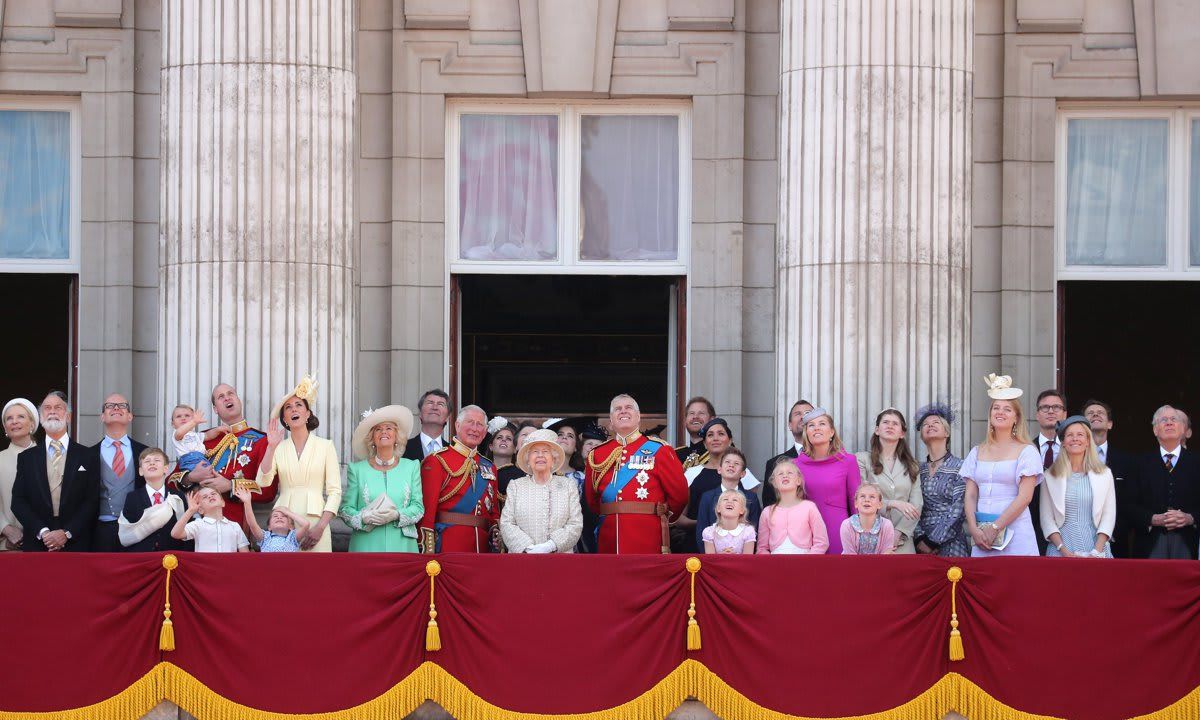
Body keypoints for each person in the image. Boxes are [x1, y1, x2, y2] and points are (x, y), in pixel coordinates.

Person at [585, 394, 688, 554]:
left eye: (629, 408)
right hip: (608, 536)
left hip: (647, 535)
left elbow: (679, 495)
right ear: (611, 421)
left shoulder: (660, 450)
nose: (623, 411)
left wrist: (663, 518)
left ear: (639, 417)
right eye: (617, 409)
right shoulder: (597, 454)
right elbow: (592, 500)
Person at [166, 383, 275, 527]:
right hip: (197, 526)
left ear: (238, 400)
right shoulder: (201, 438)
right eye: (220, 397)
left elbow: (269, 491)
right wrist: (191, 478)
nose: (227, 398)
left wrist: (231, 486)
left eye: (231, 394)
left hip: (235, 525)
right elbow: (170, 482)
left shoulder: (262, 441)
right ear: (215, 409)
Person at [256, 375, 342, 552]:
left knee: (318, 575)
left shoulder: (326, 446)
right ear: (285, 419)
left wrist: (320, 527)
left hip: (317, 520)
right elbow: (262, 481)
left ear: (307, 413)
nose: (293, 409)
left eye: (298, 405)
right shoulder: (278, 448)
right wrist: (270, 448)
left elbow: (335, 492)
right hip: (285, 523)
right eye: (288, 407)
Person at [961, 374, 1043, 557]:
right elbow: (971, 495)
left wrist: (996, 527)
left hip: (1016, 534)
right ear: (990, 415)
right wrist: (973, 529)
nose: (1000, 412)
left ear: (1016, 417)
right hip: (982, 537)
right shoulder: (976, 451)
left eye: (1007, 409)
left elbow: (1025, 497)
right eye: (996, 408)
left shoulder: (1027, 451)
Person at [11, 391, 99, 552]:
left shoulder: (88, 456)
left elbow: (92, 501)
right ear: (40, 417)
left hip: (77, 543)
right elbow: (18, 501)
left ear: (68, 417)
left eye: (58, 407)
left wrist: (67, 532)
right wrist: (43, 531)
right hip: (38, 543)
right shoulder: (26, 458)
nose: (52, 411)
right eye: (47, 408)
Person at [341, 405, 424, 553]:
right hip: (366, 546)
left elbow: (418, 508)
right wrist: (363, 517)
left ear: (396, 436)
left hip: (403, 546)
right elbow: (346, 510)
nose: (383, 432)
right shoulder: (357, 469)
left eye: (389, 428)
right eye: (378, 429)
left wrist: (397, 514)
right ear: (372, 438)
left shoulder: (412, 467)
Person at [418, 405, 500, 553]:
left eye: (480, 424)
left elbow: (493, 512)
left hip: (483, 548)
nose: (475, 428)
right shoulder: (437, 460)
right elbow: (427, 510)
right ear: (457, 425)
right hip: (448, 544)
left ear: (485, 431)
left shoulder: (489, 467)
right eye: (470, 422)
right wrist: (427, 548)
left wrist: (496, 537)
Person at [1124, 406, 1199, 559]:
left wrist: (1190, 518)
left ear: (1183, 428)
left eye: (1174, 419)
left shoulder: (1197, 462)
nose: (1169, 423)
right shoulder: (1138, 463)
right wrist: (1153, 519)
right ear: (1155, 430)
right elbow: (1127, 505)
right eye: (1163, 420)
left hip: (1189, 539)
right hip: (1149, 541)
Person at [678, 418, 760, 552]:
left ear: (730, 439)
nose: (715, 438)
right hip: (701, 548)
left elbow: (753, 521)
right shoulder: (692, 474)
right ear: (704, 443)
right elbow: (680, 516)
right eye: (710, 435)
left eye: (721, 434)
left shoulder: (744, 475)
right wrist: (704, 524)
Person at [1040, 416, 1115, 558]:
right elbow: (1046, 519)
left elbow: (1108, 516)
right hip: (1060, 551)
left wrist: (1096, 552)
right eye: (1069, 435)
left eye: (1080, 435)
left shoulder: (1105, 474)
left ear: (1088, 441)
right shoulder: (1050, 476)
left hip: (1097, 551)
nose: (1075, 439)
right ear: (1062, 443)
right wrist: (1063, 550)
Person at [499, 429, 583, 553]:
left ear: (554, 458)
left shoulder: (568, 485)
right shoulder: (516, 486)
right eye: (535, 452)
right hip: (523, 560)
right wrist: (528, 548)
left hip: (560, 561)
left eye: (545, 451)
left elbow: (575, 524)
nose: (540, 456)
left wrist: (551, 545)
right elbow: (506, 523)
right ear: (528, 459)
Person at [792, 408, 859, 554]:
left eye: (822, 423)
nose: (816, 427)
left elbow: (856, 504)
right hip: (805, 531)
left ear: (832, 432)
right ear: (806, 434)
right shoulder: (795, 465)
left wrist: (859, 536)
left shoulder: (848, 461)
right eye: (811, 425)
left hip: (838, 530)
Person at [855, 409, 921, 553]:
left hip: (902, 542)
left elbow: (917, 504)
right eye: (885, 422)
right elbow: (860, 497)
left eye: (895, 424)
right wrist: (892, 503)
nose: (890, 426)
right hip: (870, 536)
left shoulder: (912, 465)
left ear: (902, 433)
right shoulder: (862, 459)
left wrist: (898, 533)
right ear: (877, 430)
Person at [92, 393, 148, 552]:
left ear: (130, 416)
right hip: (101, 531)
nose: (116, 408)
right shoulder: (88, 454)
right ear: (102, 416)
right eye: (109, 406)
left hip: (136, 528)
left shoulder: (145, 452)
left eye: (122, 405)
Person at [913, 403, 968, 557]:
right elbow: (911, 505)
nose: (930, 425)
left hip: (952, 541)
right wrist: (920, 539)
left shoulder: (961, 466)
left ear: (947, 433)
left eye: (936, 423)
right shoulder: (916, 469)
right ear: (921, 435)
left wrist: (933, 542)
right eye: (925, 424)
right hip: (920, 543)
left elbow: (959, 507)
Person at [1082, 399, 1131, 557]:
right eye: (1090, 413)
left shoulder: (1126, 461)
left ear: (1110, 424)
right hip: (1080, 535)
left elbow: (1129, 500)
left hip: (1117, 537)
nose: (1095, 414)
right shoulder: (1071, 459)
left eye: (1100, 413)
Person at [118, 447, 191, 552]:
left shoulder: (177, 497)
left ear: (166, 468)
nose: (152, 463)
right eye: (147, 461)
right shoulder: (132, 498)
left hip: (173, 557)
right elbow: (128, 534)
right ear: (141, 471)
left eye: (157, 460)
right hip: (142, 557)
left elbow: (186, 529)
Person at [693, 447, 763, 550]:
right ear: (719, 469)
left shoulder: (751, 498)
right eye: (727, 462)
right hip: (713, 559)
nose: (731, 465)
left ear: (743, 473)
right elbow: (701, 531)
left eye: (736, 463)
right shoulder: (707, 497)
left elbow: (755, 529)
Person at [756, 462, 828, 554]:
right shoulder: (767, 512)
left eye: (789, 473)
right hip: (775, 565)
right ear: (774, 483)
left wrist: (808, 561)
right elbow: (761, 548)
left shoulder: (809, 507)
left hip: (805, 563)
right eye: (780, 473)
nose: (785, 475)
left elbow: (822, 542)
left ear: (798, 480)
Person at [0, 398, 38, 551]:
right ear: (5, 427)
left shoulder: (49, 458)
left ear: (32, 424)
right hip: (7, 546)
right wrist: (6, 529)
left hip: (45, 546)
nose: (14, 421)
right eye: (9, 418)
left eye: (21, 416)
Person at [763, 399, 814, 506]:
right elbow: (770, 504)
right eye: (797, 414)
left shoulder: (832, 458)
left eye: (807, 413)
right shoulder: (773, 464)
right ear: (790, 425)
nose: (803, 417)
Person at [170, 487, 250, 552]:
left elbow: (245, 555)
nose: (210, 496)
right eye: (205, 497)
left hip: (228, 570)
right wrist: (190, 510)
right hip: (204, 570)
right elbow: (175, 534)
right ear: (200, 509)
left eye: (213, 493)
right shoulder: (198, 524)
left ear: (223, 503)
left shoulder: (234, 526)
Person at [237, 487, 309, 552]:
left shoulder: (292, 538)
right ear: (269, 527)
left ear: (291, 526)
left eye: (284, 516)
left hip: (288, 566)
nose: (279, 517)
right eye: (275, 516)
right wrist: (247, 502)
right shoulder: (265, 537)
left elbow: (306, 524)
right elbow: (252, 524)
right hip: (269, 566)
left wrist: (288, 512)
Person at [840, 482, 896, 555]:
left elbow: (886, 554)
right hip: (852, 565)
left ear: (880, 504)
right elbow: (850, 556)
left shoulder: (886, 525)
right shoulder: (847, 525)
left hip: (880, 565)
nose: (867, 500)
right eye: (862, 496)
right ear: (856, 503)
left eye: (872, 497)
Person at [169, 403, 227, 472]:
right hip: (189, 460)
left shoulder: (195, 435)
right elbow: (179, 433)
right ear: (173, 424)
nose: (183, 418)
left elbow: (208, 435)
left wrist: (218, 429)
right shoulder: (177, 433)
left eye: (187, 415)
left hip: (202, 458)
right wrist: (194, 421)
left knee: (211, 474)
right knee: (204, 475)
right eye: (178, 416)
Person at [701, 489, 756, 554]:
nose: (729, 502)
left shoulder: (748, 532)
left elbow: (748, 561)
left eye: (735, 500)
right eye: (725, 499)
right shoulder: (709, 532)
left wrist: (734, 558)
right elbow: (710, 561)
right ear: (718, 508)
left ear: (742, 510)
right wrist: (722, 556)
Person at [404, 389, 451, 461]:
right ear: (420, 413)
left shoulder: (453, 452)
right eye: (430, 403)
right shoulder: (402, 449)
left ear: (447, 417)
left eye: (440, 404)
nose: (435, 407)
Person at [498, 420, 540, 496]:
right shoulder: (501, 474)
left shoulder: (552, 475)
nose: (529, 438)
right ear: (516, 446)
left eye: (534, 435)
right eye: (524, 434)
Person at [675, 396, 715, 469]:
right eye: (691, 413)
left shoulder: (720, 454)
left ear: (712, 420)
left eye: (701, 413)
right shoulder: (676, 455)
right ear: (685, 421)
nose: (695, 416)